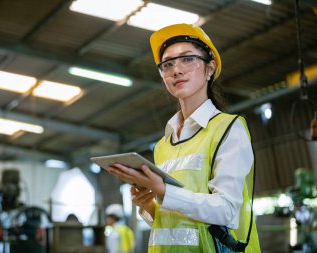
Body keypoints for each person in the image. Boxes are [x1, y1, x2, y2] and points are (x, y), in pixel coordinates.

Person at [107, 23, 261, 252]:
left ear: (210, 69)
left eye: (187, 59)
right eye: (167, 64)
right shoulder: (163, 145)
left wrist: (163, 191)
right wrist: (149, 203)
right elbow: (171, 222)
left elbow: (227, 210)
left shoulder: (229, 129)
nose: (176, 70)